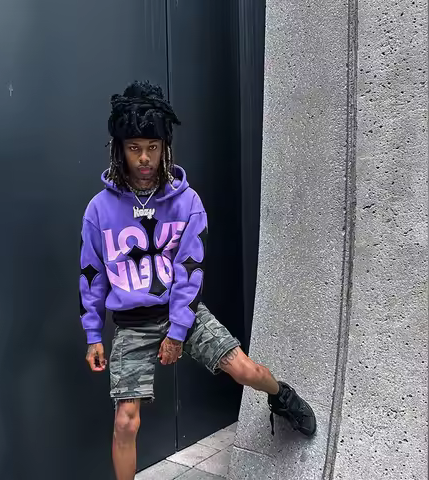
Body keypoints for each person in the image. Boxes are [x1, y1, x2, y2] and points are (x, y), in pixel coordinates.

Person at [79, 80, 317, 480]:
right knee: (125, 422)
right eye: (134, 147)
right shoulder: (99, 209)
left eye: (152, 147)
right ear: (119, 149)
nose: (144, 157)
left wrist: (177, 332)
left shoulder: (187, 203)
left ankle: (281, 396)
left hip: (183, 311)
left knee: (246, 371)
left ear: (165, 147)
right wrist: (92, 334)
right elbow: (92, 275)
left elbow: (190, 274)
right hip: (133, 324)